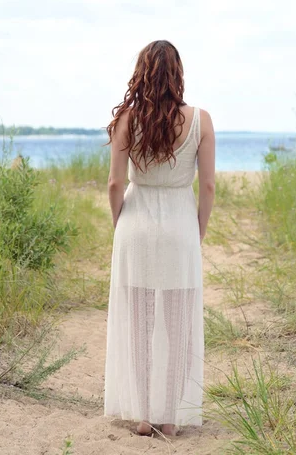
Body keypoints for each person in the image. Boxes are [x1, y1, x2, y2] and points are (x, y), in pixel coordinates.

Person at [103, 40, 215, 438]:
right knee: (179, 321)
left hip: (136, 225)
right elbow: (208, 188)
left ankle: (145, 417)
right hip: (180, 227)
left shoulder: (127, 120)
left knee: (140, 321)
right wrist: (197, 232)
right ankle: (170, 415)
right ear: (178, 74)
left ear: (142, 73)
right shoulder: (201, 120)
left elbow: (116, 184)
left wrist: (121, 226)